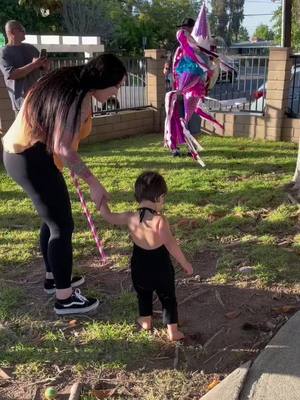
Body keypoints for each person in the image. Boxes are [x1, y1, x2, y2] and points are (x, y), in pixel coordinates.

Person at [2, 53, 127, 315]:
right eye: (117, 85)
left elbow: (55, 133)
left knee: (52, 222)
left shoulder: (70, 82)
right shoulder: (76, 97)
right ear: (103, 81)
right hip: (31, 159)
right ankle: (65, 298)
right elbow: (63, 146)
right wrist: (93, 182)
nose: (118, 90)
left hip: (27, 155)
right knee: (62, 227)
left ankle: (53, 278)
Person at [98, 171, 193, 341]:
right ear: (160, 197)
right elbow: (171, 244)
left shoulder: (130, 217)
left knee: (143, 293)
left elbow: (109, 217)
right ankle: (173, 331)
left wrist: (101, 202)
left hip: (139, 264)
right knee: (167, 297)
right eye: (163, 199)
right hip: (161, 265)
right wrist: (184, 263)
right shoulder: (159, 220)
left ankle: (145, 320)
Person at [0, 20, 49, 114]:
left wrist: (45, 66)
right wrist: (34, 64)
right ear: (13, 32)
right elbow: (12, 74)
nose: (25, 32)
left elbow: (43, 69)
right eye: (22, 30)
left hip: (39, 97)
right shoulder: (4, 52)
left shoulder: (31, 48)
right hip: (22, 102)